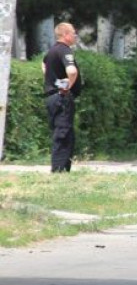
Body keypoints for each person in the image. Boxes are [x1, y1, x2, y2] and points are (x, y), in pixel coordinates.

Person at [42, 22, 82, 172]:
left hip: (52, 97)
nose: (75, 36)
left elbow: (44, 66)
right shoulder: (65, 51)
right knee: (63, 133)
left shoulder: (52, 51)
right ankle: (59, 170)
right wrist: (66, 87)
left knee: (64, 132)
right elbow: (71, 71)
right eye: (73, 33)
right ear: (65, 34)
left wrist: (54, 82)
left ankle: (63, 169)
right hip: (62, 98)